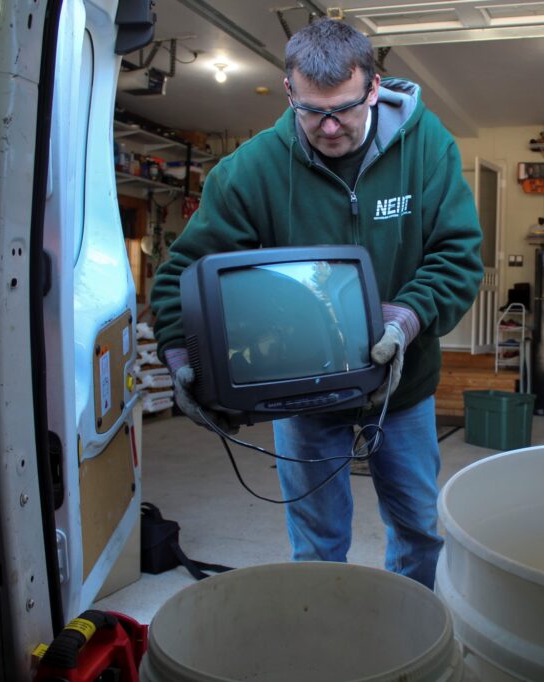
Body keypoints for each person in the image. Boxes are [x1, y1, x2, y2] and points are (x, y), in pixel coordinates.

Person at [149, 18, 483, 589]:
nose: (329, 128)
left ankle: (409, 632)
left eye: (345, 109)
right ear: (288, 93)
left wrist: (406, 317)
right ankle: (329, 645)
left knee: (419, 530)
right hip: (302, 398)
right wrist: (181, 356)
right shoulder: (250, 169)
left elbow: (458, 255)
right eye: (312, 111)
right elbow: (182, 272)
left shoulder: (427, 147)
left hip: (402, 392)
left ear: (374, 88)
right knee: (317, 544)